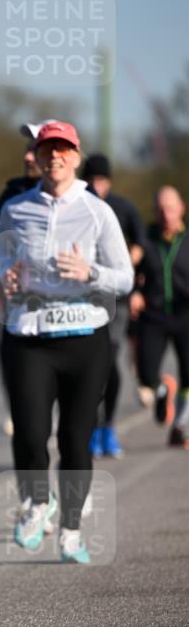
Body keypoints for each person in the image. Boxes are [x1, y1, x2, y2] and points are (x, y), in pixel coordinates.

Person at [0, 121, 133, 563]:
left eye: (63, 149)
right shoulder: (15, 210)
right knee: (32, 433)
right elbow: (4, 266)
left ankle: (71, 529)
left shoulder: (97, 212)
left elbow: (125, 278)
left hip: (84, 338)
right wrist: (9, 279)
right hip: (31, 337)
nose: (55, 157)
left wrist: (89, 273)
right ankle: (37, 503)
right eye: (46, 149)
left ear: (76, 157)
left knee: (75, 439)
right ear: (35, 157)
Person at [83, 155, 146, 459]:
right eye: (92, 180)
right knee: (90, 364)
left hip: (117, 298)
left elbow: (141, 242)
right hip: (87, 298)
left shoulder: (121, 208)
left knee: (111, 357)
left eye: (102, 180)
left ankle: (108, 426)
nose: (97, 186)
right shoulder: (78, 206)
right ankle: (92, 428)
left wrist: (128, 262)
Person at [130, 186, 189, 449]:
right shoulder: (145, 243)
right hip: (153, 315)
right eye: (161, 209)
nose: (166, 214)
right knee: (145, 373)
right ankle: (163, 388)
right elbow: (126, 272)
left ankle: (181, 427)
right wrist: (134, 292)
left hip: (186, 315)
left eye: (171, 208)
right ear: (155, 211)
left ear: (182, 209)